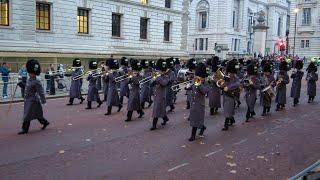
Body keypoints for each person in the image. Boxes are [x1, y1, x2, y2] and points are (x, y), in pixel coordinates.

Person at [18, 59, 49, 135]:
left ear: (35, 73)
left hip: (32, 101)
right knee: (38, 114)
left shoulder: (36, 81)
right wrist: (21, 84)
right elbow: (27, 88)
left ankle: (25, 129)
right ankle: (45, 122)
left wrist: (43, 100)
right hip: (28, 100)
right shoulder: (29, 80)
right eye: (30, 73)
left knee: (27, 115)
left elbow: (41, 92)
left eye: (32, 73)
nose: (30, 74)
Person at [187, 62, 209, 141]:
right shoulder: (196, 80)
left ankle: (193, 135)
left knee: (196, 119)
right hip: (193, 102)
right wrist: (188, 88)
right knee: (195, 119)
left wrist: (199, 84)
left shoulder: (205, 82)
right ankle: (202, 127)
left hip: (200, 103)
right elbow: (193, 88)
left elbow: (205, 91)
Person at [150, 59, 170, 131]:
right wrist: (153, 80)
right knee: (160, 109)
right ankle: (165, 118)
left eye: (160, 70)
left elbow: (164, 83)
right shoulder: (157, 75)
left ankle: (154, 125)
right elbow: (151, 83)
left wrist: (158, 78)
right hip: (156, 94)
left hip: (161, 95)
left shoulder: (166, 76)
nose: (159, 71)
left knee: (156, 109)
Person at [221, 60, 240, 131]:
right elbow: (222, 84)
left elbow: (237, 84)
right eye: (229, 72)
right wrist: (223, 84)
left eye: (231, 72)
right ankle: (232, 119)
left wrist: (229, 87)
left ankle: (226, 125)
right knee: (227, 108)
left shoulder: (235, 77)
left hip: (231, 94)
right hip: (225, 95)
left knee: (228, 109)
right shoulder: (226, 76)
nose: (230, 74)